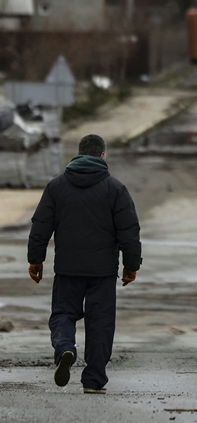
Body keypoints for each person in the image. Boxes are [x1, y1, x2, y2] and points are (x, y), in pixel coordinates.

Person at [27, 134, 141, 394]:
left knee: (63, 313)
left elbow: (41, 226)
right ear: (102, 155)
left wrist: (36, 260)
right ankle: (93, 379)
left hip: (67, 268)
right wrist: (131, 265)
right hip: (103, 271)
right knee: (100, 323)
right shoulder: (115, 189)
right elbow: (129, 231)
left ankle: (65, 347)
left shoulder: (56, 187)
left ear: (79, 154)